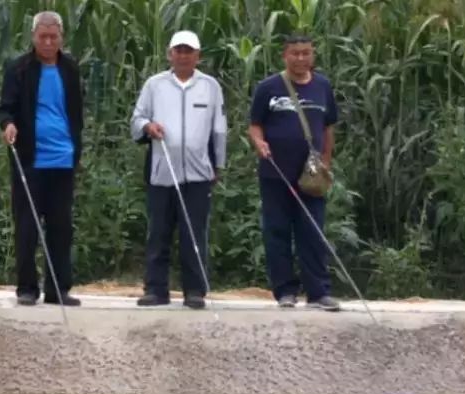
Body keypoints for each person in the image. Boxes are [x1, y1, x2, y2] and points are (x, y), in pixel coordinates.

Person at [130, 30, 227, 310]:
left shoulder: (210, 86)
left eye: (189, 51)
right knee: (158, 232)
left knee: (194, 233)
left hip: (198, 174)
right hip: (161, 172)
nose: (183, 56)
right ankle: (156, 289)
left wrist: (218, 164)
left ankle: (194, 290)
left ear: (198, 55)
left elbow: (219, 128)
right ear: (169, 54)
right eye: (178, 50)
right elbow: (137, 119)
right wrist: (147, 127)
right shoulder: (154, 85)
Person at [0, 11, 83, 307]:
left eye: (53, 37)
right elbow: (4, 108)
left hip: (63, 159)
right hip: (30, 160)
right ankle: (27, 288)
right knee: (27, 226)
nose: (48, 42)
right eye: (42, 37)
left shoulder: (70, 68)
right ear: (33, 37)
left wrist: (76, 146)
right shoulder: (19, 69)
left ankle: (58, 289)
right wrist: (8, 125)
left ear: (61, 38)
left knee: (60, 228)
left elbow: (76, 113)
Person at [248, 34, 341, 311]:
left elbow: (328, 128)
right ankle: (285, 291)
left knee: (312, 230)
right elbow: (255, 125)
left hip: (309, 174)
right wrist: (259, 143)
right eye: (295, 54)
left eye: (306, 53)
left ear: (313, 55)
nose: (301, 59)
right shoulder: (269, 87)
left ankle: (318, 292)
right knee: (277, 232)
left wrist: (326, 161)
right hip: (275, 172)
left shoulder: (322, 86)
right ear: (284, 56)